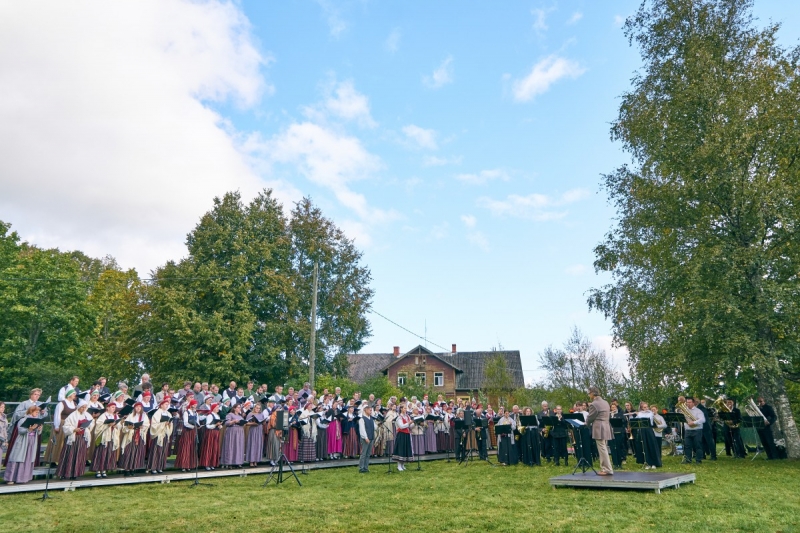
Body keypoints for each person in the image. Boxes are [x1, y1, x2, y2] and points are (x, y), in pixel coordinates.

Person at [3, 405, 43, 485]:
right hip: (23, 441)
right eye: (36, 412)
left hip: (32, 441)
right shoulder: (23, 420)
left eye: (38, 412)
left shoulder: (37, 420)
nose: (37, 413)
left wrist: (39, 429)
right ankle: (11, 478)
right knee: (18, 457)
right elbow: (21, 431)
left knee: (28, 458)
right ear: (31, 411)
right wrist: (29, 429)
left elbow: (38, 433)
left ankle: (23, 478)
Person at [56, 399, 94, 480]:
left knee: (79, 456)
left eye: (85, 407)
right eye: (82, 407)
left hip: (82, 439)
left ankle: (75, 473)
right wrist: (74, 429)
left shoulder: (87, 415)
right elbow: (66, 427)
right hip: (73, 438)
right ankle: (64, 473)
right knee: (69, 455)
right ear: (79, 407)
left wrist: (87, 427)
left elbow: (91, 424)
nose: (83, 409)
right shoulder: (72, 415)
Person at [45, 387, 77, 465]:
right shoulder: (62, 403)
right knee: (59, 442)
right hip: (62, 423)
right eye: (73, 394)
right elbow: (57, 415)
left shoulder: (74, 404)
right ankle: (53, 460)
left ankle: (65, 460)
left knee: (68, 442)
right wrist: (57, 425)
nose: (75, 395)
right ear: (69, 394)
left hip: (70, 425)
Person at [586, 386, 614, 475]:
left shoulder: (594, 404)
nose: (588, 395)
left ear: (593, 393)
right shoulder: (605, 402)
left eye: (589, 393)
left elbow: (590, 417)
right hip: (606, 426)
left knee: (602, 448)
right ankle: (604, 468)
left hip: (599, 427)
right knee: (603, 447)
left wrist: (586, 423)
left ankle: (607, 469)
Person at [118, 402, 150, 476]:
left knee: (137, 452)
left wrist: (143, 427)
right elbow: (125, 426)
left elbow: (147, 424)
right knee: (129, 451)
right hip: (131, 435)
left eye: (139, 407)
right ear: (134, 408)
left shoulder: (144, 416)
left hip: (140, 435)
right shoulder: (131, 415)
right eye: (137, 407)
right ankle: (127, 469)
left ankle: (133, 468)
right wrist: (129, 427)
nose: (138, 408)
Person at [91, 402, 120, 478]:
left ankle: (104, 470)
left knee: (108, 454)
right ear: (108, 408)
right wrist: (107, 425)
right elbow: (98, 426)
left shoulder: (115, 416)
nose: (113, 408)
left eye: (114, 407)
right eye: (112, 407)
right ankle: (98, 470)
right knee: (101, 453)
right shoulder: (103, 416)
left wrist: (116, 425)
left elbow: (119, 426)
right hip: (104, 438)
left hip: (111, 437)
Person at [147, 398, 173, 474]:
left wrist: (169, 424)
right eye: (165, 404)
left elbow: (170, 423)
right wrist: (163, 424)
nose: (167, 406)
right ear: (161, 405)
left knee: (163, 451)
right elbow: (154, 424)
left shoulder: (168, 413)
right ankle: (153, 467)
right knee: (156, 450)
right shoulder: (157, 413)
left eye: (168, 405)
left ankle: (160, 466)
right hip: (158, 434)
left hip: (165, 434)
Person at [174, 399, 199, 472]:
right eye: (194, 405)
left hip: (193, 432)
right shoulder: (186, 412)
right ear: (191, 405)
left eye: (196, 405)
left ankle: (189, 465)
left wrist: (197, 426)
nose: (195, 406)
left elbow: (197, 422)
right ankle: (183, 465)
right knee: (186, 447)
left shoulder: (196, 413)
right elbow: (185, 423)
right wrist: (192, 426)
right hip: (187, 431)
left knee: (191, 448)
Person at [680, 397, 705, 464]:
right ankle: (688, 459)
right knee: (687, 445)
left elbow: (703, 420)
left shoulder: (698, 411)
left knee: (698, 445)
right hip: (688, 430)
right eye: (687, 402)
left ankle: (698, 460)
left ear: (693, 403)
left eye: (690, 402)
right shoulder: (684, 410)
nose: (688, 404)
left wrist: (694, 422)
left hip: (697, 430)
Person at [200, 403, 223, 471]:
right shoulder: (210, 415)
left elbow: (220, 426)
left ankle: (212, 463)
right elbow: (208, 426)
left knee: (214, 448)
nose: (218, 409)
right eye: (217, 407)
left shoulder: (217, 416)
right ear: (213, 408)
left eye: (218, 407)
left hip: (216, 433)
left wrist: (219, 426)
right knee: (209, 448)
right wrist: (215, 425)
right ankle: (207, 464)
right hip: (210, 433)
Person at [221, 403, 245, 468]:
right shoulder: (230, 414)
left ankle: (238, 462)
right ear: (234, 408)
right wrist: (233, 421)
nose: (239, 409)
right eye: (238, 407)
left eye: (240, 407)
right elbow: (227, 423)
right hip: (232, 432)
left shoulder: (240, 416)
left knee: (238, 447)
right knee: (230, 446)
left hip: (239, 432)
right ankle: (229, 463)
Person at [392, 404, 413, 471]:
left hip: (407, 434)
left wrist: (413, 423)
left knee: (405, 449)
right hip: (401, 434)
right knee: (401, 449)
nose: (405, 409)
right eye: (404, 408)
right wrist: (409, 423)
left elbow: (410, 426)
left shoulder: (407, 416)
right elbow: (401, 426)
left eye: (406, 408)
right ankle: (399, 465)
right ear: (401, 409)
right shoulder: (399, 417)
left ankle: (403, 464)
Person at [358, 405, 375, 473]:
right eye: (370, 410)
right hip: (366, 438)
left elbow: (374, 427)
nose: (371, 411)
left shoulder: (371, 419)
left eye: (371, 410)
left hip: (371, 437)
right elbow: (362, 429)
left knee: (368, 454)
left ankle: (366, 467)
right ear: (365, 410)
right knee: (364, 453)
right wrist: (365, 437)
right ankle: (361, 467)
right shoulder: (362, 419)